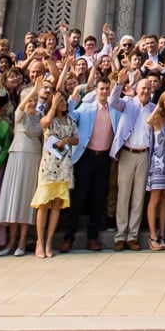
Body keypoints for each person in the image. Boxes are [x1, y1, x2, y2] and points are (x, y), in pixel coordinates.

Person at [69, 76, 120, 251]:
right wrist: (74, 96)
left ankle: (93, 237)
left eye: (107, 88)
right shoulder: (86, 108)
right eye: (101, 89)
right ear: (96, 90)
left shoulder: (115, 110)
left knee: (99, 199)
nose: (104, 92)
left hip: (104, 159)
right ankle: (69, 237)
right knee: (79, 197)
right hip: (86, 157)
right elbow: (70, 115)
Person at [0, 77, 43, 254]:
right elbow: (20, 108)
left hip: (34, 156)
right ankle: (11, 242)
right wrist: (33, 90)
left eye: (35, 99)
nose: (32, 101)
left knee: (26, 200)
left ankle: (22, 241)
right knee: (14, 198)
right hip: (17, 155)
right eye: (29, 98)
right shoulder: (19, 115)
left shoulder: (40, 115)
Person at [109, 75, 159, 250]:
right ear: (137, 89)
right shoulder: (128, 103)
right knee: (123, 195)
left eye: (148, 88)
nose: (145, 91)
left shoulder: (154, 108)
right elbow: (113, 101)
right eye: (142, 88)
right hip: (128, 153)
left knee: (138, 197)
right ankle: (120, 236)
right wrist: (119, 83)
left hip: (144, 154)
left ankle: (132, 236)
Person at [31, 82, 77, 258]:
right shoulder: (48, 116)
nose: (63, 104)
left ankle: (49, 241)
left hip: (64, 166)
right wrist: (53, 106)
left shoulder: (71, 120)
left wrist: (66, 140)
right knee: (43, 204)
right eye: (60, 101)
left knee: (57, 205)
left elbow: (76, 140)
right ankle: (39, 242)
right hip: (49, 166)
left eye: (64, 101)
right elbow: (45, 123)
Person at [146, 90, 165, 250]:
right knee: (155, 199)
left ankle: (162, 234)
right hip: (158, 162)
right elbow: (148, 121)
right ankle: (152, 236)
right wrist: (158, 107)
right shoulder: (158, 117)